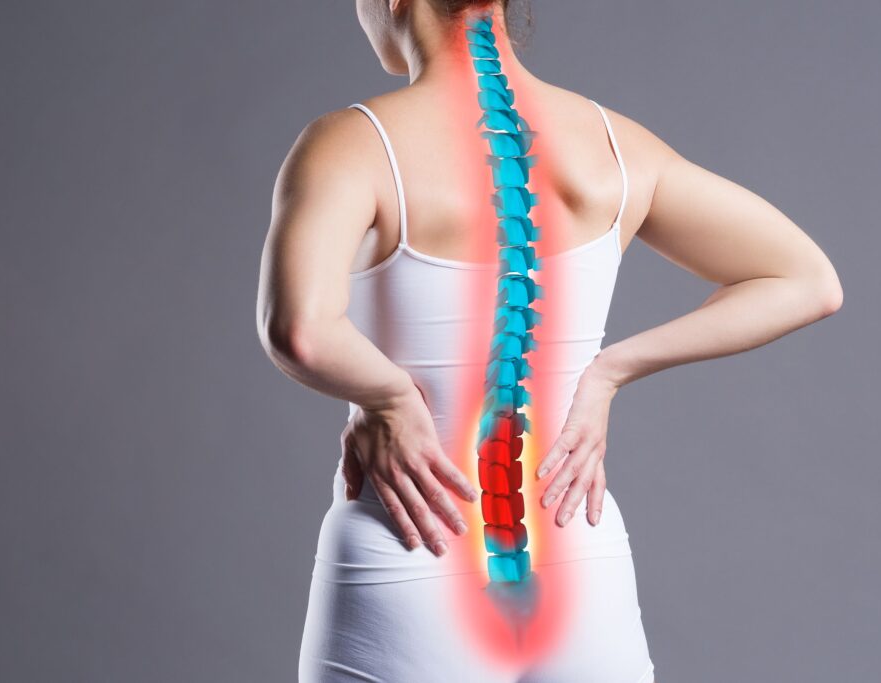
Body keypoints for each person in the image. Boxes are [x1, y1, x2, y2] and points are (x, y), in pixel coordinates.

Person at [255, 1, 843, 681]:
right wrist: (609, 370)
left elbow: (298, 328)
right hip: (579, 560)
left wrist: (387, 396)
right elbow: (808, 279)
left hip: (412, 547)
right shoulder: (617, 146)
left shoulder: (351, 142)